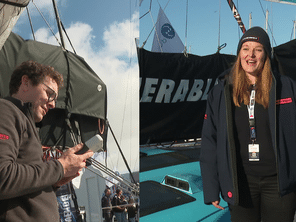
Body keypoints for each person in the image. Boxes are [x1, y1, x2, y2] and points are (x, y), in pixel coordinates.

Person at [200, 26, 296, 222]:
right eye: (245, 49)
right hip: (241, 183)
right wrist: (211, 188)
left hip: (280, 184)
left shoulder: (286, 87)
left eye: (258, 49)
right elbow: (210, 141)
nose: (250, 55)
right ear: (239, 54)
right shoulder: (221, 92)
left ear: (266, 55)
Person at [0, 60, 94, 221]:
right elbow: (3, 176)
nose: (52, 104)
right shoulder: (6, 110)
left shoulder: (25, 121)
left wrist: (55, 181)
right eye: (49, 94)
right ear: (25, 82)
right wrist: (59, 167)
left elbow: (22, 190)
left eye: (55, 99)